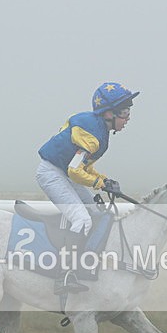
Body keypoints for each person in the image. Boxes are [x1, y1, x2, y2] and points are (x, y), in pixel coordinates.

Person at [37, 82, 139, 294]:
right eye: (124, 112)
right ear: (109, 114)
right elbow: (75, 171)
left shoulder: (98, 128)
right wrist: (100, 184)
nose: (128, 118)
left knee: (95, 211)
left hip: (63, 173)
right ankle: (64, 275)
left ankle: (87, 260)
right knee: (82, 219)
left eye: (129, 111)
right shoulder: (93, 135)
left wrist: (104, 180)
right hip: (52, 174)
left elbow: (84, 166)